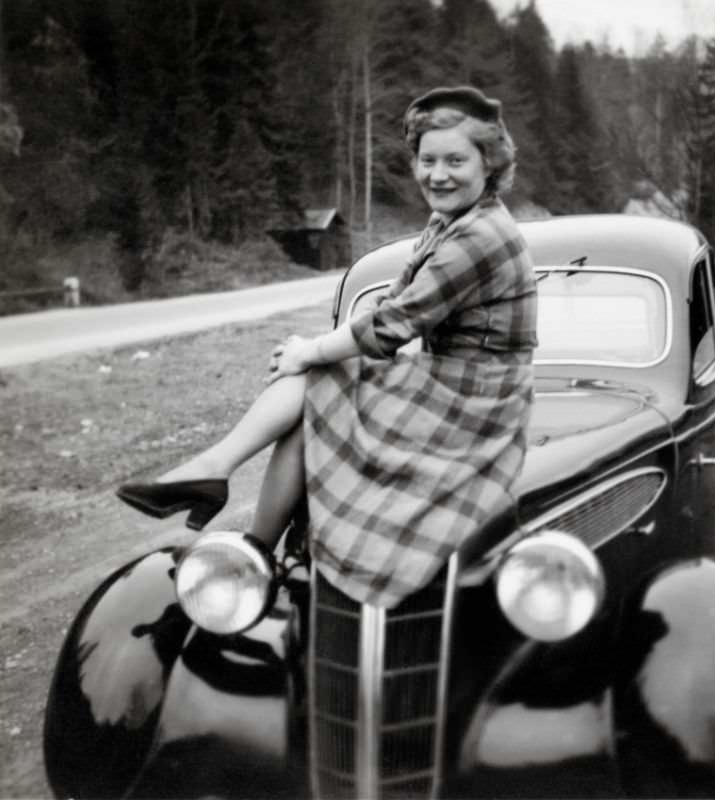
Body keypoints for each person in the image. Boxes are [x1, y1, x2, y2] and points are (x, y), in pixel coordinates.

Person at [117, 86, 537, 608]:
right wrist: (326, 344)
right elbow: (392, 298)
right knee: (319, 388)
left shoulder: (482, 236)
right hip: (444, 383)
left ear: (490, 164)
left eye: (456, 160)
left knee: (319, 374)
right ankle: (247, 535)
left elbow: (394, 325)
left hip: (476, 405)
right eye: (427, 160)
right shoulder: (448, 223)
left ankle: (228, 498)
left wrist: (313, 350)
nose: (438, 174)